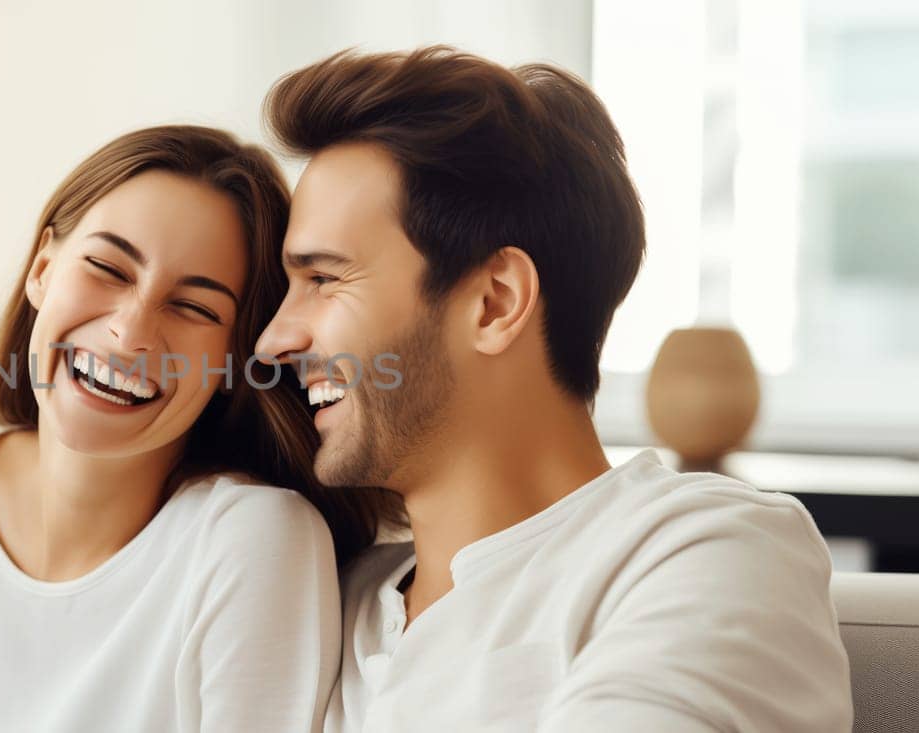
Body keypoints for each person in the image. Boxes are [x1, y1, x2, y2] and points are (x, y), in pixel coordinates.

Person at [255, 47, 853, 731]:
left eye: (324, 279)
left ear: (494, 302)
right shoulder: (322, 601)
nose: (274, 340)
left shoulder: (707, 552)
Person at [0, 125, 397, 732]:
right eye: (108, 268)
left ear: (237, 362)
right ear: (42, 269)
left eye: (194, 308)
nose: (130, 335)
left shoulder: (253, 541)